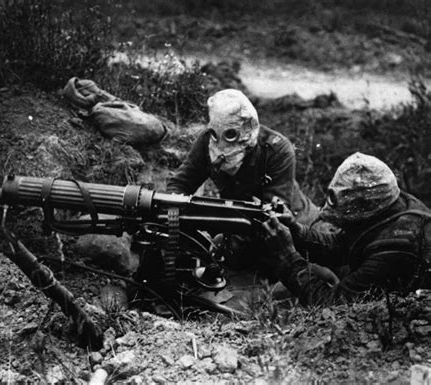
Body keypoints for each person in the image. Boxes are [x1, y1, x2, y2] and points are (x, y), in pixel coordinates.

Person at [167, 89, 318, 271]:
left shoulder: (277, 150)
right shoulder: (207, 142)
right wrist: (173, 216)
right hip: (238, 220)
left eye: (231, 134)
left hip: (292, 222)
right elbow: (181, 183)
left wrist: (221, 240)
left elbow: (273, 219)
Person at [262, 152, 431, 306]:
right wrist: (296, 231)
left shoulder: (397, 246)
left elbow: (332, 303)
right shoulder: (390, 202)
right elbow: (342, 245)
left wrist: (287, 257)